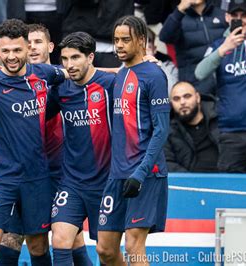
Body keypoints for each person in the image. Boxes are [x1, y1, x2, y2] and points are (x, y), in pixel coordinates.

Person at [0, 19, 67, 266]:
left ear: (27, 48)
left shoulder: (44, 74)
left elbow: (79, 72)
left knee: (38, 245)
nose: (11, 56)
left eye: (17, 50)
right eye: (5, 51)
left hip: (37, 177)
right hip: (0, 176)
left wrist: (126, 69)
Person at [0, 24, 91, 266]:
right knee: (13, 240)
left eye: (38, 41)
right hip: (21, 172)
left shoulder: (66, 79)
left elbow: (91, 70)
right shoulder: (7, 80)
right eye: (28, 43)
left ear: (49, 46)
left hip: (60, 171)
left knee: (71, 240)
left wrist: (133, 69)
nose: (33, 47)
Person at [96, 16, 170, 265]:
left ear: (141, 41)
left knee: (133, 245)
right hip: (117, 174)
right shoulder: (120, 74)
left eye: (125, 40)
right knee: (105, 249)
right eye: (116, 40)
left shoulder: (155, 75)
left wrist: (141, 173)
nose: (118, 45)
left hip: (145, 173)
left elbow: (161, 130)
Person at [46, 31, 114, 266]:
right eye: (64, 59)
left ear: (90, 57)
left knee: (106, 252)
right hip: (72, 181)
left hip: (106, 183)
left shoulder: (110, 85)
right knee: (60, 239)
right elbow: (38, 117)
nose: (69, 65)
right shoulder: (61, 89)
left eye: (75, 58)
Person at [194, 0, 246, 173]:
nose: (240, 19)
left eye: (244, 15)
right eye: (235, 15)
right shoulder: (218, 46)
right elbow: (199, 73)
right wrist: (224, 48)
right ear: (227, 17)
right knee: (230, 191)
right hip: (231, 132)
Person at [159, 0, 227, 97]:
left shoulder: (222, 14)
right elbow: (165, 37)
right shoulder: (178, 17)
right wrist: (180, 9)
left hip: (224, 81)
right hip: (194, 85)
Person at [164, 81, 219, 172]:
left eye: (187, 96)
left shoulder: (219, 118)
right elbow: (166, 162)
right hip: (189, 183)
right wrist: (190, 180)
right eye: (176, 99)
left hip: (226, 180)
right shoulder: (167, 131)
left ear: (197, 97)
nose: (182, 102)